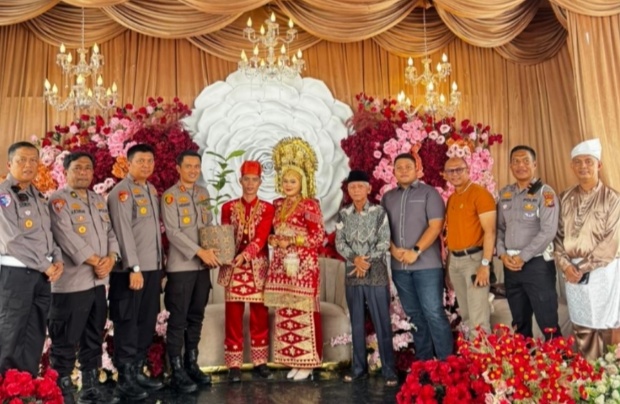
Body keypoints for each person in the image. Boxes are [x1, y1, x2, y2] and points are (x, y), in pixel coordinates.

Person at [48, 152, 120, 404]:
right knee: (65, 341)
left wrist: (111, 258)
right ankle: (62, 392)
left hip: (98, 284)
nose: (83, 173)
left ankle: (90, 388)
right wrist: (97, 261)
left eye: (87, 168)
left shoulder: (98, 200)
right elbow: (66, 237)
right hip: (71, 285)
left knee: (93, 337)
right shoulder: (58, 201)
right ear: (65, 171)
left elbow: (110, 232)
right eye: (77, 168)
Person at [381, 153, 453, 360]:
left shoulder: (429, 193)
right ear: (394, 171)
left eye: (408, 167)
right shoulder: (388, 197)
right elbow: (382, 228)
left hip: (427, 267)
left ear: (417, 170)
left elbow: (436, 226)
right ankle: (424, 365)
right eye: (399, 167)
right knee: (414, 315)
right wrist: (393, 249)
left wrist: (415, 251)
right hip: (400, 268)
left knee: (433, 313)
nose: (403, 170)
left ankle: (447, 365)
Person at [0, 142, 63, 376]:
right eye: (22, 160)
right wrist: (46, 265)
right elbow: (12, 241)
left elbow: (48, 234)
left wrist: (57, 260)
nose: (28, 165)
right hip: (16, 274)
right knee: (11, 332)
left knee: (35, 332)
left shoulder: (37, 195)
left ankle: (27, 385)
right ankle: (5, 389)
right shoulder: (4, 196)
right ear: (9, 164)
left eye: (33, 160)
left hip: (41, 275)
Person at [264, 137, 325, 381]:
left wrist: (292, 241)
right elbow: (272, 232)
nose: (288, 185)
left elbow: (318, 237)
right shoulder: (278, 205)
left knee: (302, 313)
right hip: (281, 268)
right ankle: (293, 360)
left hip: (303, 269)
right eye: (285, 180)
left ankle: (308, 364)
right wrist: (273, 240)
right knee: (285, 313)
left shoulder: (309, 205)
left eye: (293, 181)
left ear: (303, 182)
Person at [554, 139, 620, 360]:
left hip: (603, 272)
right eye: (578, 162)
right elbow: (558, 236)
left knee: (606, 324)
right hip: (572, 272)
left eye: (588, 161)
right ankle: (588, 371)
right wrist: (566, 265)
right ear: (572, 166)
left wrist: (581, 268)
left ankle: (609, 372)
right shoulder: (564, 197)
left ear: (599, 165)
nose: (583, 166)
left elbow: (611, 242)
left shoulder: (613, 198)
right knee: (582, 324)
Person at [107, 144, 163, 401]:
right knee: (128, 322)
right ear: (128, 164)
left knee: (146, 321)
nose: (146, 165)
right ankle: (125, 378)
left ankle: (138, 371)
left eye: (150, 161)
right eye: (140, 161)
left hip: (151, 269)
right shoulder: (121, 192)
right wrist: (134, 267)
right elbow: (123, 233)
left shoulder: (150, 190)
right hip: (131, 271)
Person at [161, 150, 219, 393]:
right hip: (181, 268)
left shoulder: (203, 194)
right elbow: (173, 232)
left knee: (196, 316)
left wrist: (214, 248)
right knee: (178, 319)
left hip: (202, 268)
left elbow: (208, 225)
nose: (193, 170)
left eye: (197, 166)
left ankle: (191, 364)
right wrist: (200, 251)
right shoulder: (170, 197)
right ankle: (176, 370)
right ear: (178, 168)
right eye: (189, 166)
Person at [335, 169, 398, 387]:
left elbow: (384, 241)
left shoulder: (379, 212)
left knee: (382, 322)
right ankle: (359, 369)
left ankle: (389, 371)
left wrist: (365, 261)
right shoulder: (343, 214)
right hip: (353, 275)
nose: (356, 190)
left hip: (376, 273)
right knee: (357, 324)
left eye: (360, 186)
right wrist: (356, 260)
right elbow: (340, 242)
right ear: (348, 190)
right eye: (352, 187)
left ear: (368, 188)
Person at [496, 145, 561, 339]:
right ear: (510, 166)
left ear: (534, 165)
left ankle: (560, 358)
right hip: (511, 266)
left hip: (537, 266)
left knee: (548, 324)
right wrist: (502, 254)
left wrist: (523, 257)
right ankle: (524, 358)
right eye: (516, 161)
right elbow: (499, 228)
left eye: (525, 161)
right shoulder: (505, 194)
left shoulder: (545, 193)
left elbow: (548, 231)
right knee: (520, 324)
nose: (520, 165)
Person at [219, 160, 274, 382]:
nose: (250, 184)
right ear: (240, 180)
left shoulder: (268, 208)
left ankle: (260, 362)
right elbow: (225, 236)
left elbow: (261, 237)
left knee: (259, 315)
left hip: (257, 268)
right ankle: (234, 365)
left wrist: (246, 255)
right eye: (246, 180)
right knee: (233, 315)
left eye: (254, 180)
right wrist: (225, 255)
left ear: (260, 182)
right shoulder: (228, 207)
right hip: (233, 267)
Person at [444, 157, 496, 335]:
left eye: (459, 169)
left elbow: (490, 231)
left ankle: (482, 353)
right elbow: (452, 235)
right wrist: (449, 267)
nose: (455, 174)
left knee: (478, 320)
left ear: (468, 170)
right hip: (455, 261)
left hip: (475, 260)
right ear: (445, 175)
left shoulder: (480, 194)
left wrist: (485, 265)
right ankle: (472, 352)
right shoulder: (452, 199)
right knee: (466, 316)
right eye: (450, 171)